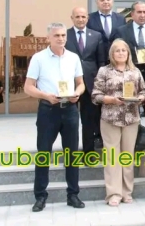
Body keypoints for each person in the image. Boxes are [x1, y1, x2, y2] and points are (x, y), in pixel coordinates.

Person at [23, 23, 85, 212]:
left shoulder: (73, 58)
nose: (61, 38)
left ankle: (73, 195)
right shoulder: (38, 58)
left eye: (63, 35)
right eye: (56, 35)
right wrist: (45, 96)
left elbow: (81, 83)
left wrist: (77, 93)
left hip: (70, 110)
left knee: (72, 154)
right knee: (43, 153)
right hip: (48, 110)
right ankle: (40, 197)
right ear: (48, 38)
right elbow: (28, 87)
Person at [91, 39, 145, 206]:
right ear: (112, 54)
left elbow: (144, 91)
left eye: (124, 50)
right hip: (110, 118)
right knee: (112, 157)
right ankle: (114, 194)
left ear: (128, 53)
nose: (121, 53)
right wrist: (111, 100)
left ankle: (126, 192)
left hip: (131, 119)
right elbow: (95, 95)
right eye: (117, 50)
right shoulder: (104, 71)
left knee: (127, 156)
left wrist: (140, 98)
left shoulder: (135, 71)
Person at [65, 6, 104, 155]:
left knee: (88, 120)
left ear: (87, 18)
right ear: (72, 18)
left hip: (90, 83)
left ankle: (89, 153)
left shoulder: (96, 36)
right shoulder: (65, 35)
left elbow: (100, 61)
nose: (80, 19)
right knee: (70, 121)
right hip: (70, 84)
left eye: (83, 17)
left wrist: (100, 82)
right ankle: (71, 153)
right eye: (77, 17)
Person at [87, 0, 126, 65]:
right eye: (102, 0)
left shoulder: (121, 18)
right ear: (96, 2)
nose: (105, 2)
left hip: (116, 59)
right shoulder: (89, 18)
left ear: (112, 1)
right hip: (96, 59)